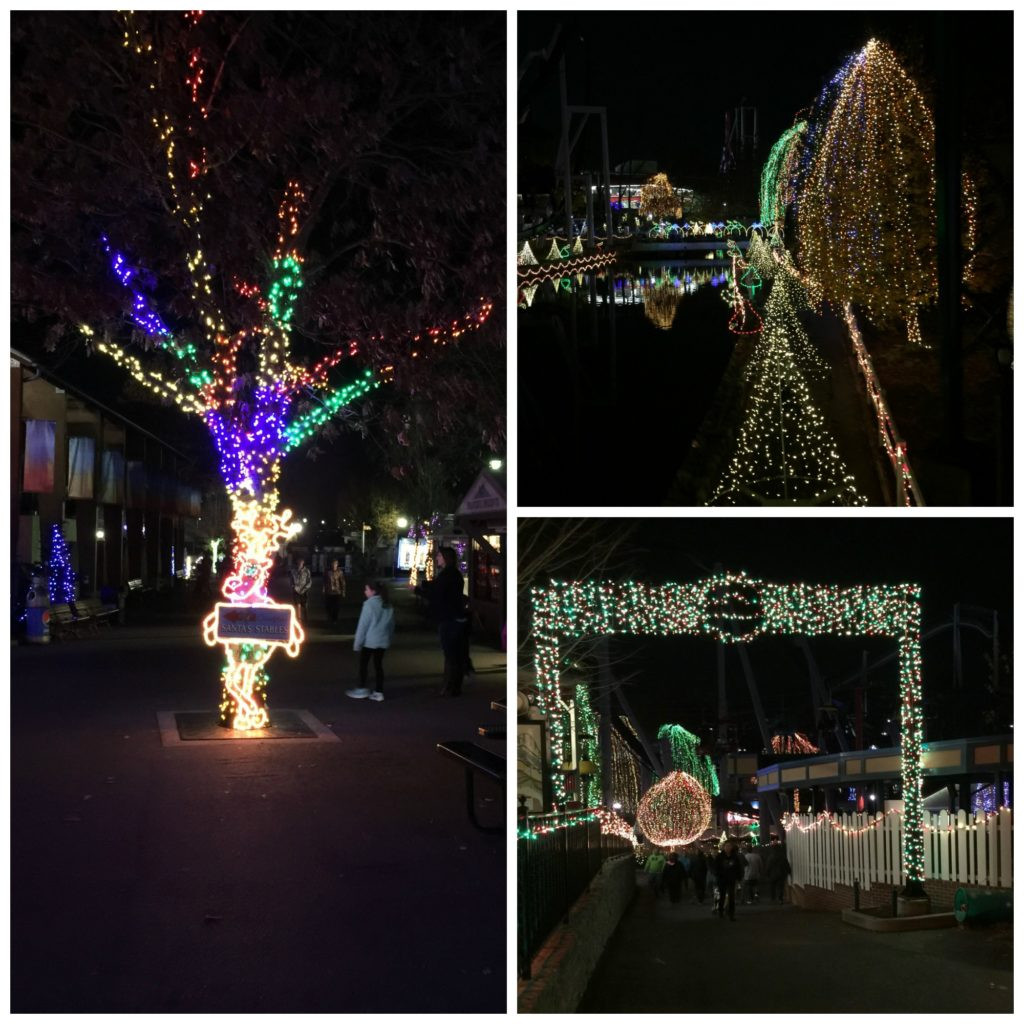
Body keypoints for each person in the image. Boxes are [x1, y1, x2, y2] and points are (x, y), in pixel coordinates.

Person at [422, 546, 468, 696]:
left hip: (449, 619)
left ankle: (449, 687)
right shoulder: (454, 575)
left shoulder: (447, 575)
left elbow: (437, 593)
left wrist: (418, 590)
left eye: (439, 556)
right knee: (455, 654)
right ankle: (452, 686)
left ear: (446, 558)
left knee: (450, 655)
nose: (437, 558)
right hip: (455, 617)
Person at [345, 581, 395, 702]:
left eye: (367, 590)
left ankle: (361, 688)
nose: (365, 592)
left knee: (363, 665)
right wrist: (389, 638)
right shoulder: (387, 604)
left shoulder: (369, 605)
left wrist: (357, 644)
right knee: (378, 666)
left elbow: (363, 626)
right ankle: (379, 692)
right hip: (383, 641)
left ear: (373, 592)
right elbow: (392, 625)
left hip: (370, 641)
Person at [714, 840, 744, 921]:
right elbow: (716, 868)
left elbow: (738, 868)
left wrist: (739, 877)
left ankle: (731, 914)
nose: (728, 848)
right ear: (724, 847)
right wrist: (718, 875)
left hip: (731, 879)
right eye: (726, 846)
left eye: (729, 846)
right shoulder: (720, 857)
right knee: (722, 896)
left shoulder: (734, 857)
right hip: (722, 880)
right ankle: (720, 911)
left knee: (732, 897)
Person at [765, 838, 792, 904]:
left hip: (773, 874)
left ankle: (773, 898)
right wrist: (789, 871)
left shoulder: (771, 856)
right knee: (780, 887)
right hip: (781, 873)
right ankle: (780, 898)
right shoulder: (782, 856)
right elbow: (786, 864)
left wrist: (767, 873)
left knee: (772, 886)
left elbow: (768, 866)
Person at [323, 558, 346, 624]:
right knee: (328, 606)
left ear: (337, 565)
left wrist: (343, 591)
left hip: (337, 592)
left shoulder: (340, 572)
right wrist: (324, 589)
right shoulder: (327, 572)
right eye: (333, 564)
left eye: (335, 564)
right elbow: (324, 581)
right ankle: (329, 618)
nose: (334, 565)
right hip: (329, 592)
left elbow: (343, 582)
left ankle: (335, 619)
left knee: (336, 607)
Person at [290, 556, 312, 624]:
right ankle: (299, 620)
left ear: (303, 563)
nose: (300, 563)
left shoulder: (306, 571)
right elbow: (291, 580)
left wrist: (305, 588)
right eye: (298, 562)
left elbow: (309, 581)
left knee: (305, 606)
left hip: (304, 591)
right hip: (296, 590)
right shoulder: (293, 571)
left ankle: (305, 619)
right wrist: (293, 587)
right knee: (298, 605)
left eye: (301, 562)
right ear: (297, 562)